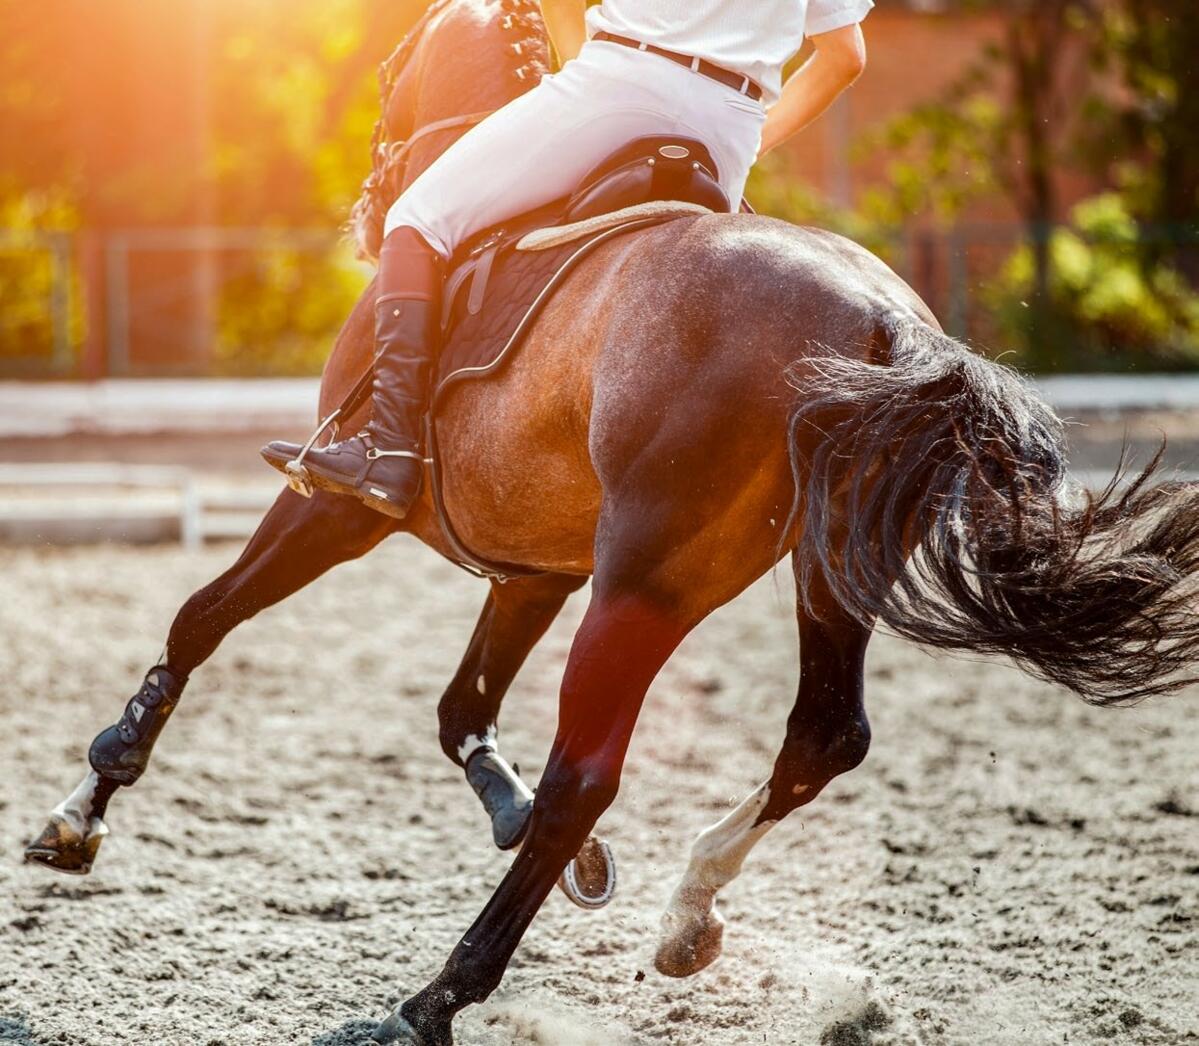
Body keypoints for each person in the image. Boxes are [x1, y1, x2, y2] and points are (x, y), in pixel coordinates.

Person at [265, 0, 873, 519]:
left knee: (416, 219)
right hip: (732, 123)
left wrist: (584, 75)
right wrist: (748, 139)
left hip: (621, 81)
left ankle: (388, 448)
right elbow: (845, 57)